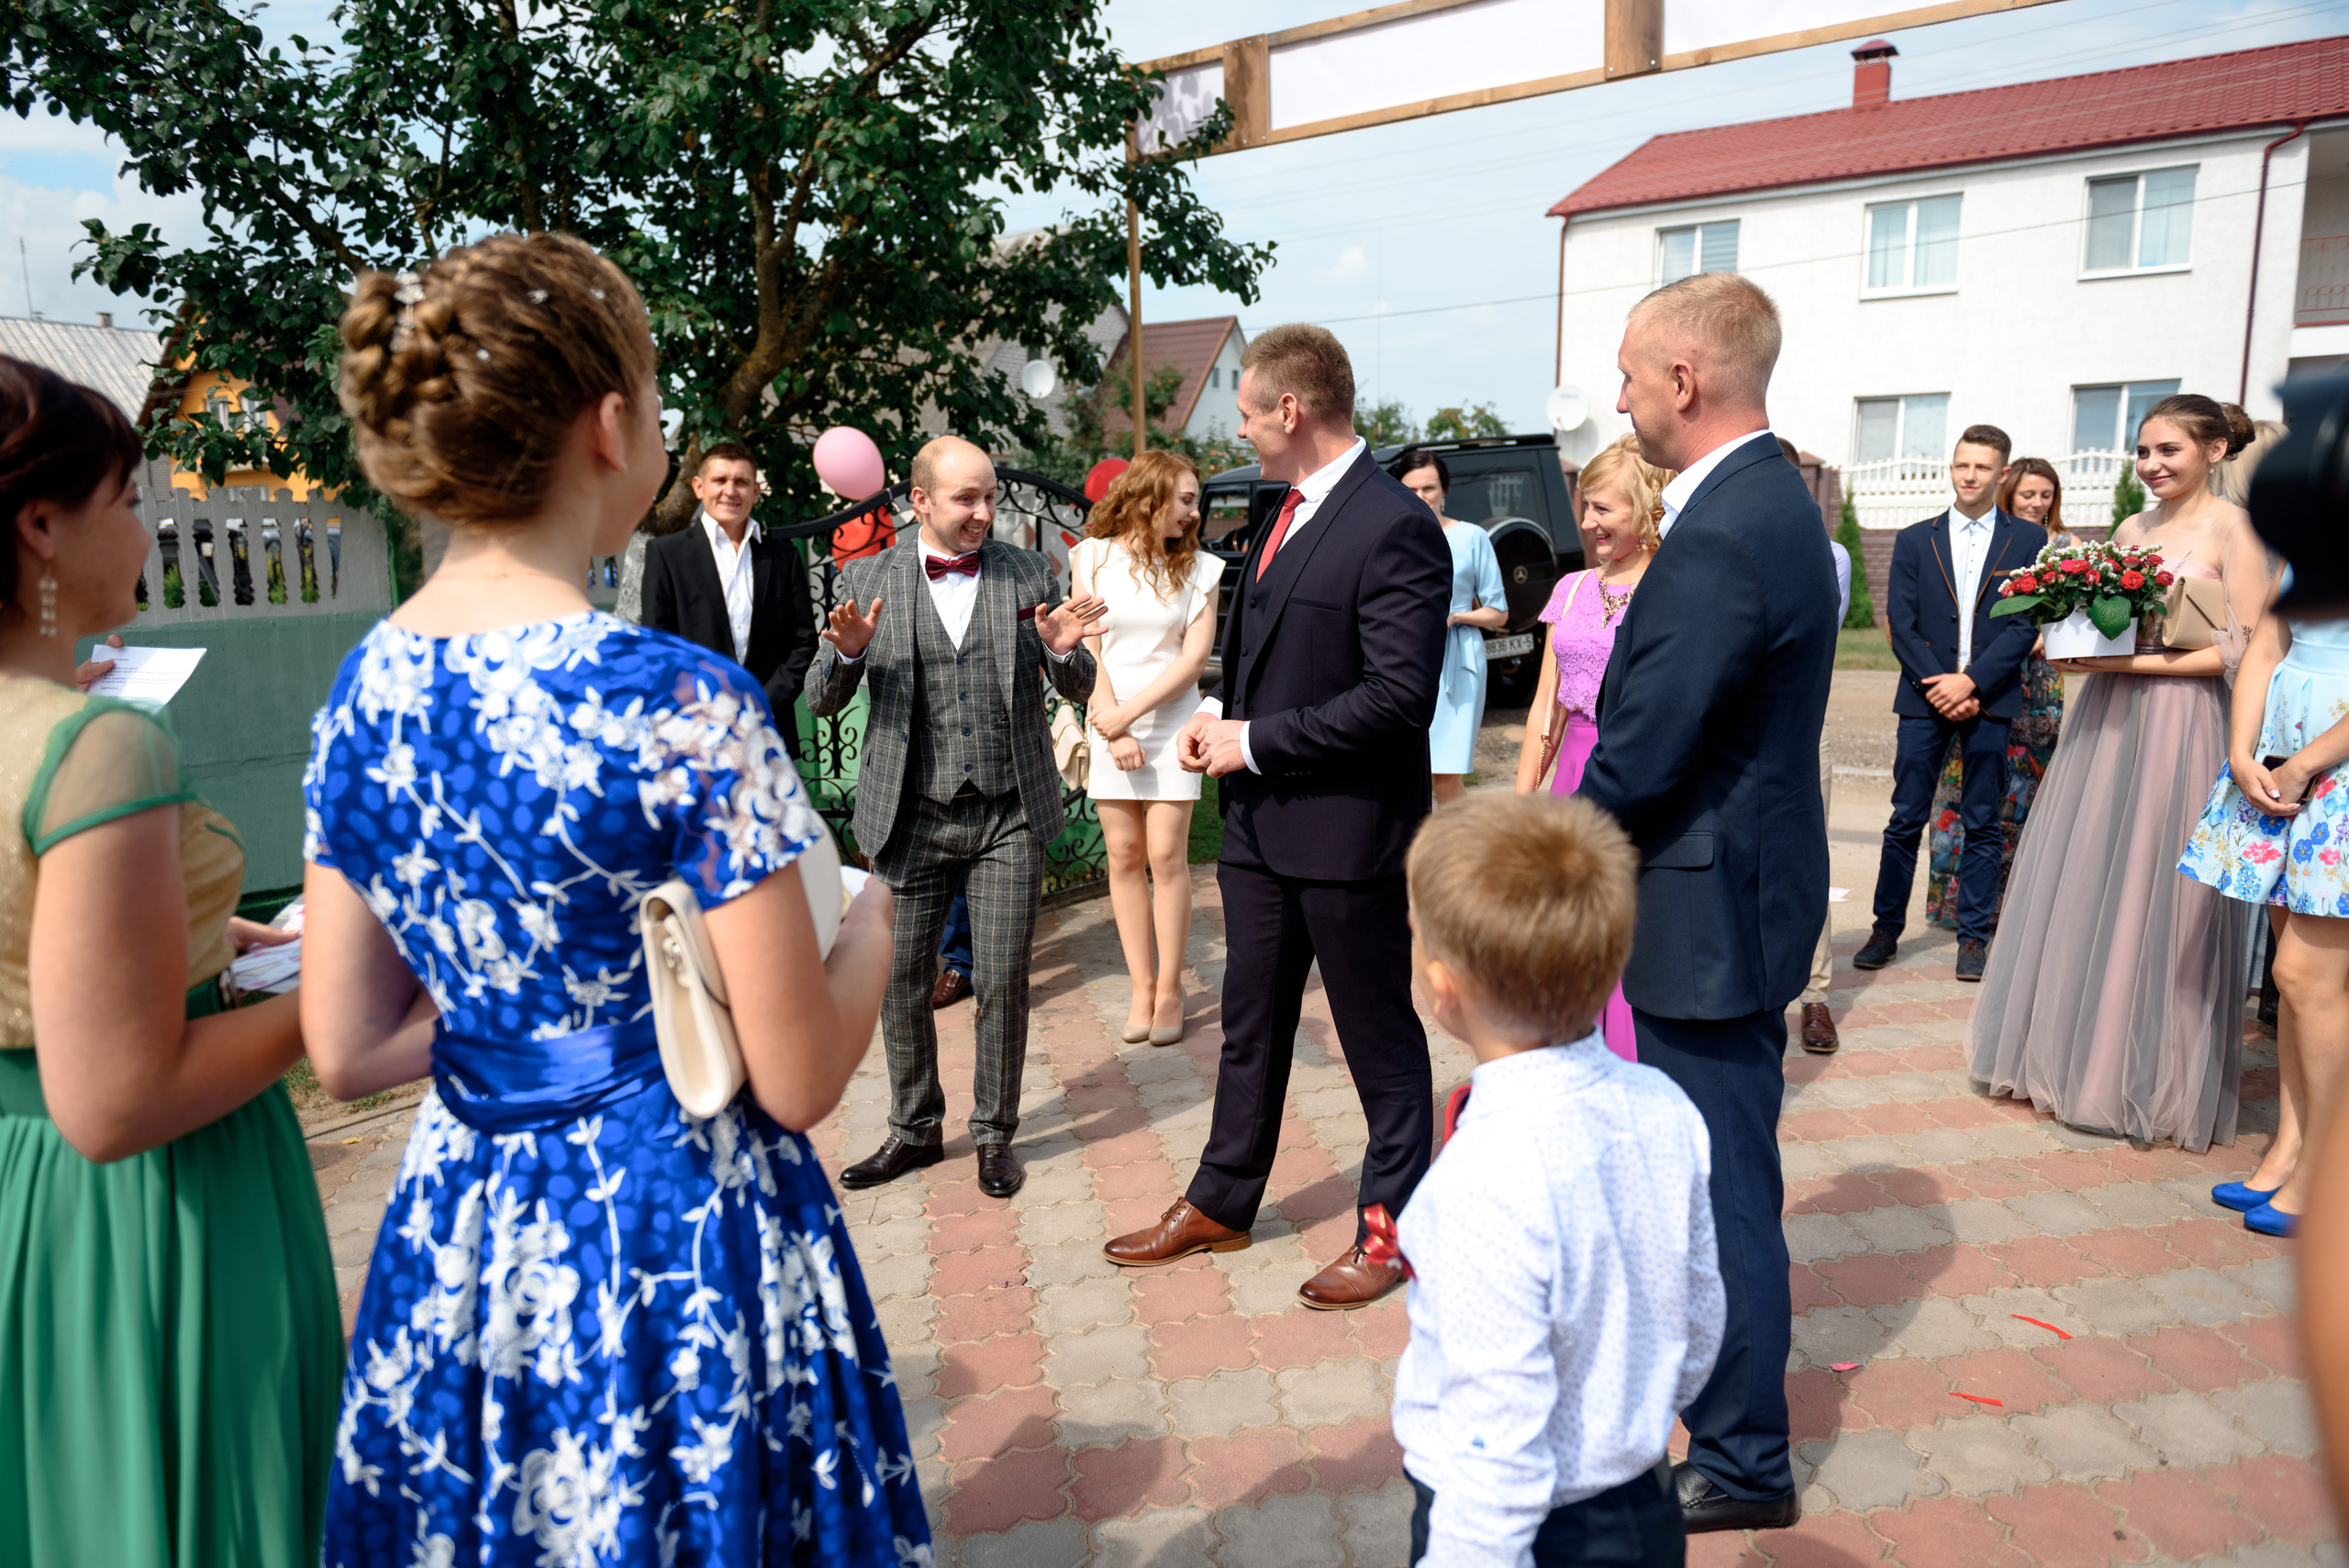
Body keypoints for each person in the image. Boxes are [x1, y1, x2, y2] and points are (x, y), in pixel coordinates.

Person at [299, 234, 928, 1563]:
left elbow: (346, 1044)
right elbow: (800, 1073)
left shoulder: (367, 687)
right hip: (668, 1221)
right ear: (610, 423)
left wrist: (531, 1035)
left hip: (464, 1231)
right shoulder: (674, 699)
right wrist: (872, 925)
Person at [0, 355, 340, 1566]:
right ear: (42, 525)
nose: (145, 530)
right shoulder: (96, 746)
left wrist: (218, 936)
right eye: (129, 498)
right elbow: (120, 1097)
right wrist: (335, 987)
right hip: (150, 1209)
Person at [1102, 323, 1450, 1311]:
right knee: (1249, 1026)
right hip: (1259, 829)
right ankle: (1223, 1196)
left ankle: (1392, 1232)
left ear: (1290, 411)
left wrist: (1252, 740)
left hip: (1346, 830)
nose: (1243, 431)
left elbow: (1396, 697)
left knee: (1378, 1039)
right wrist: (1217, 718)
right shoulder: (1281, 510)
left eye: (1249, 413)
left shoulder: (1393, 525)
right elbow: (1266, 659)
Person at [1575, 272, 1836, 1533]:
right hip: (1735, 892)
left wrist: (1533, 869)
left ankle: (1742, 1457)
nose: (1619, 398)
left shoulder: (1730, 526)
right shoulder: (1767, 498)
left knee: (1724, 1193)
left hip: (1708, 914)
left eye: (1629, 375)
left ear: (1684, 380)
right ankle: (1721, 1421)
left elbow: (1644, 751)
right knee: (1715, 1181)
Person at [1392, 792, 1722, 1568]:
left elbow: (1494, 1442)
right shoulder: (1665, 1107)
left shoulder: (1480, 1180)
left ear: (1443, 988)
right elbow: (1702, 1313)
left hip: (1526, 1530)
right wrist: (1630, 1414)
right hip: (1640, 1499)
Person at [1970, 395, 2274, 1153]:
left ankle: (2142, 1073)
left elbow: (2242, 651)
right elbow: (2105, 621)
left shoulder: (2236, 530)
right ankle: (2073, 1059)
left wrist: (2120, 662)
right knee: (2093, 877)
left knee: (2158, 890)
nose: (2151, 465)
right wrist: (2076, 643)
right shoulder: (2133, 530)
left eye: (2168, 449)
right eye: (2142, 451)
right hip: (2106, 721)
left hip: (2180, 722)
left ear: (2212, 450)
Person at [806, 435, 1103, 1200]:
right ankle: (912, 1129)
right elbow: (819, 698)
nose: (982, 512)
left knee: (1002, 979)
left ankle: (995, 1134)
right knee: (901, 981)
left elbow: (1074, 681)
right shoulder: (865, 577)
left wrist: (1068, 653)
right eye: (966, 498)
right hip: (910, 816)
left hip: (1007, 809)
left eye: (990, 497)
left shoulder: (1028, 571)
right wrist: (846, 657)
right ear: (921, 501)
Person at [2177, 600, 2349, 1239]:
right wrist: (2243, 749)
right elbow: (2269, 643)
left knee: (2303, 975)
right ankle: (2290, 1147)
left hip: (2333, 766)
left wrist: (2304, 764)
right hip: (2282, 760)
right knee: (2305, 990)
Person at [1854, 424, 2045, 982]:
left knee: (1984, 822)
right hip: (1923, 697)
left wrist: (1973, 683)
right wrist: (1941, 684)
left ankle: (1973, 938)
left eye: (1982, 467)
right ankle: (1885, 929)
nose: (1969, 475)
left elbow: (2023, 624)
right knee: (1905, 817)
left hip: (1989, 698)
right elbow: (1903, 624)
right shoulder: (1916, 538)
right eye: (1962, 464)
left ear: (2002, 474)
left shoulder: (2029, 542)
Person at [1512, 433, 1669, 1062]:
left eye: (1603, 508)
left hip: (1639, 770)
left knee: (1629, 930)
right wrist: (1523, 802)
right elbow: (1542, 709)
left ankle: (1631, 1064)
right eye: (1585, 507)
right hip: (1572, 772)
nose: (1587, 521)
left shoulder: (1670, 587)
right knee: (1573, 933)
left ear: (1645, 508)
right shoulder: (1573, 589)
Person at [1070, 450, 1223, 1045]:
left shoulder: (1201, 570)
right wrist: (1112, 722)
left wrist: (1130, 718)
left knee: (1166, 855)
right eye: (1185, 499)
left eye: (1195, 500)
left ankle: (1171, 990)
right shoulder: (1092, 558)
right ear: (1149, 496)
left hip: (1167, 724)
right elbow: (1088, 645)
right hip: (1108, 715)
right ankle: (1140, 986)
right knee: (1124, 855)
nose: (1194, 511)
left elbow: (1192, 662)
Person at [1923, 458, 2075, 931]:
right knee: (1960, 787)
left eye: (2046, 495)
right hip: (1980, 679)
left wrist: (2044, 634)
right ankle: (1953, 905)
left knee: (2020, 793)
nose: (2038, 503)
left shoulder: (2066, 549)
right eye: (2029, 494)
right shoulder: (1991, 541)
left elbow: (2073, 618)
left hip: (2038, 687)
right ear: (2009, 493)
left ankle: (2006, 907)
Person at [639, 439, 821, 757]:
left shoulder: (783, 556)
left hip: (768, 725)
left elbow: (804, 643)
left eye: (741, 482)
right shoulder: (667, 554)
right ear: (698, 486)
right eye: (720, 480)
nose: (730, 490)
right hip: (694, 729)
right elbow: (659, 645)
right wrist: (707, 708)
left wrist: (761, 701)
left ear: (755, 491)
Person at [1397, 448, 1506, 806]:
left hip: (1458, 662)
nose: (1421, 497)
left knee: (1444, 778)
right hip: (1403, 660)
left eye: (1428, 488)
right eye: (1411, 489)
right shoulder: (1392, 539)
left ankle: (1458, 858)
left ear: (1444, 490)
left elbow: (1498, 612)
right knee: (1404, 773)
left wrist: (1456, 616)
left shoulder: (1472, 538)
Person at [1796, 434, 1852, 1055]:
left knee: (1808, 856)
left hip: (1801, 726)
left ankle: (1814, 994)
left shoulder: (1828, 556)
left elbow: (1808, 640)